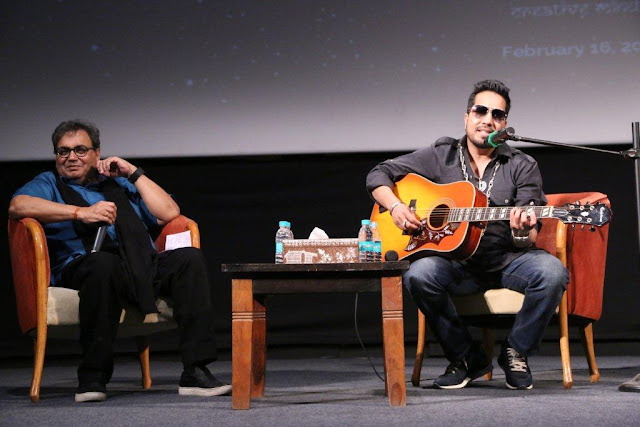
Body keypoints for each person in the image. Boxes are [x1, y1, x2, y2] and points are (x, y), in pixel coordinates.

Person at [366, 80, 569, 390]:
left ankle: (516, 351)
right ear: (466, 117)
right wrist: (394, 207)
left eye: (497, 115)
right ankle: (466, 356)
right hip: (456, 263)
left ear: (504, 125)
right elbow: (378, 174)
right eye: (480, 110)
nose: (487, 119)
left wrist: (522, 231)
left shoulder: (522, 165)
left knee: (553, 272)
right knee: (419, 274)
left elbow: (529, 235)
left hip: (507, 259)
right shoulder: (442, 154)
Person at [9, 120, 231, 402]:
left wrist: (133, 172)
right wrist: (81, 213)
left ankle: (196, 371)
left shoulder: (119, 183)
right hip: (84, 265)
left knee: (189, 258)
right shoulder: (49, 182)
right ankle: (93, 378)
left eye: (80, 149)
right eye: (63, 151)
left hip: (138, 264)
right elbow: (18, 206)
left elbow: (169, 212)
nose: (71, 157)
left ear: (96, 153)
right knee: (104, 264)